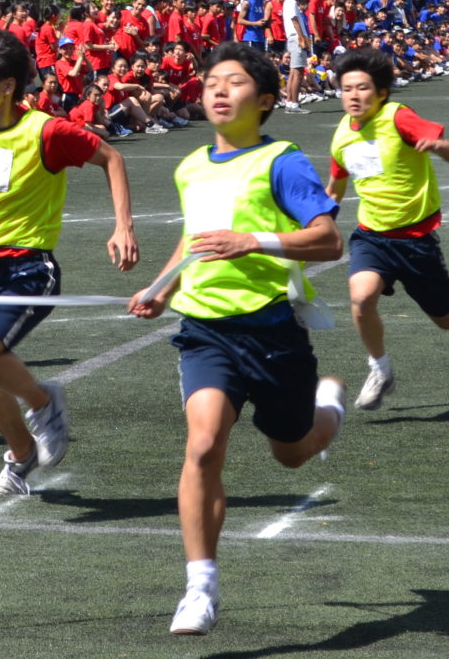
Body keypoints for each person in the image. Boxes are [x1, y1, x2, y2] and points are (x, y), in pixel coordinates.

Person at [126, 42, 346, 638]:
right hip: (205, 331)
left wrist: (254, 241)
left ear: (267, 99)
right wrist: (163, 287)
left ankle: (328, 409)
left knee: (292, 452)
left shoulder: (282, 161)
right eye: (211, 82)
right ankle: (200, 587)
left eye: (235, 82)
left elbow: (329, 241)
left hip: (272, 331)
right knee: (202, 447)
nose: (219, 90)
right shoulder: (190, 166)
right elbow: (194, 238)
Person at [0, 28, 137, 497]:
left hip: (29, 268)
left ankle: (42, 400)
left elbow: (111, 158)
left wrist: (123, 226)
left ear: (8, 86)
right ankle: (22, 455)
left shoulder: (46, 131)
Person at [326, 48, 449, 412]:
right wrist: (316, 224)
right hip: (372, 236)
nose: (353, 96)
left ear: (381, 92)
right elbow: (334, 189)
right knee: (361, 298)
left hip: (416, 241)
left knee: (446, 318)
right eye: (346, 89)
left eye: (362, 88)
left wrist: (438, 147)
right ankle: (380, 370)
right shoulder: (342, 135)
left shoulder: (398, 117)